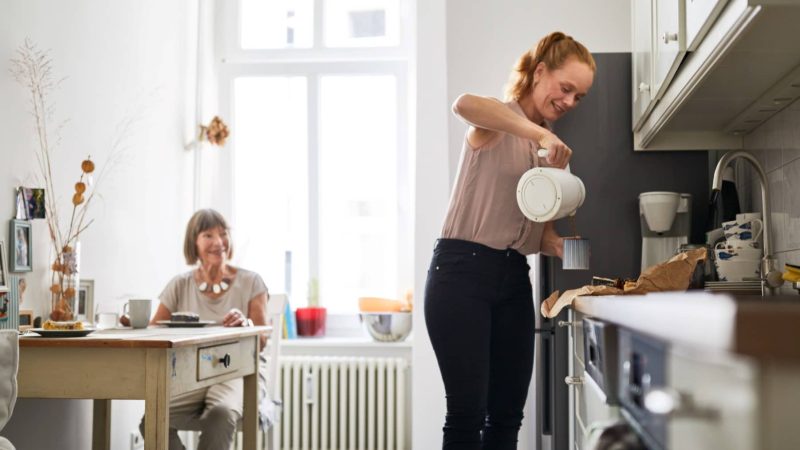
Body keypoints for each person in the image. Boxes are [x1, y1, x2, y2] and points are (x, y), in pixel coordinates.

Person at [424, 31, 595, 449]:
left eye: (580, 96)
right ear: (539, 73)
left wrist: (588, 257)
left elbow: (541, 237)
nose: (570, 102)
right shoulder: (497, 122)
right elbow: (462, 103)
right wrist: (538, 134)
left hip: (514, 277)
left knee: (507, 417)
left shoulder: (551, 150)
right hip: (461, 274)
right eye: (565, 88)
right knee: (466, 414)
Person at [137, 208, 270, 450]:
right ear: (194, 242)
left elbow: (262, 339)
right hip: (192, 375)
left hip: (236, 371)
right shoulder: (180, 284)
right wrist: (133, 322)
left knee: (219, 415)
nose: (219, 242)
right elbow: (153, 330)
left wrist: (247, 325)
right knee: (152, 421)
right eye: (208, 235)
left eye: (223, 233)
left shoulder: (252, 282)